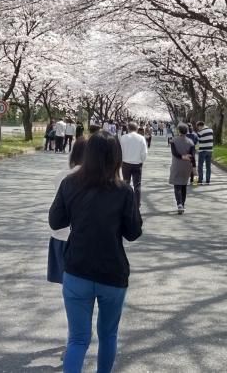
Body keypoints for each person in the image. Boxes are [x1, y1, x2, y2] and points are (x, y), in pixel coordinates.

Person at [49, 131, 143, 373]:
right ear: (116, 158)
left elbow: (56, 222)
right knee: (108, 335)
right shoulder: (124, 191)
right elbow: (133, 233)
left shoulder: (69, 183)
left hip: (77, 270)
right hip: (112, 273)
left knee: (78, 339)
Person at [48, 139, 87, 284]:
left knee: (68, 284)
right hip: (84, 238)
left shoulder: (62, 175)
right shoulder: (97, 177)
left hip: (61, 235)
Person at [119, 122, 148, 210]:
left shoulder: (123, 138)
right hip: (137, 163)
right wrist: (142, 161)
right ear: (136, 128)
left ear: (128, 128)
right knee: (137, 185)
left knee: (126, 183)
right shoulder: (141, 138)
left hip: (125, 163)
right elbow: (144, 152)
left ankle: (126, 202)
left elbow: (120, 151)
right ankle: (137, 203)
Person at [168, 123, 195, 214]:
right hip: (187, 166)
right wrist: (194, 168)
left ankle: (179, 204)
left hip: (177, 165)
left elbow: (174, 153)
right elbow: (193, 156)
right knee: (184, 185)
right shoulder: (190, 142)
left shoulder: (173, 141)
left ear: (179, 131)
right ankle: (182, 204)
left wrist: (182, 157)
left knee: (177, 186)